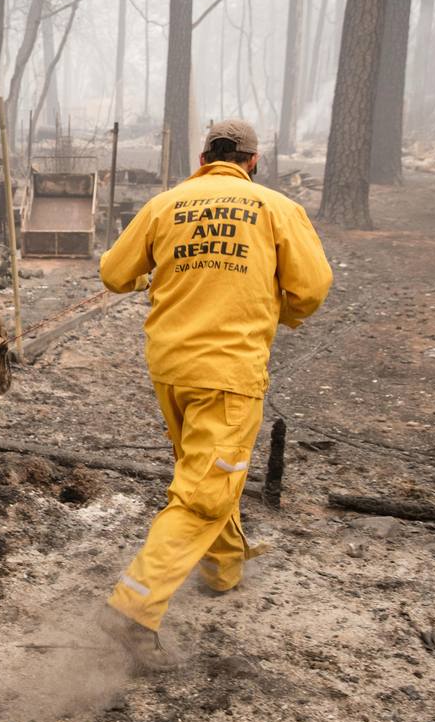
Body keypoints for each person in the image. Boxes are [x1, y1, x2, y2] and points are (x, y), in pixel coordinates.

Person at [95, 119, 333, 672]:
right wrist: (281, 311)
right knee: (206, 489)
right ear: (253, 162)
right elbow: (312, 287)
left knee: (204, 470)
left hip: (171, 367)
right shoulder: (275, 208)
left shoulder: (165, 205)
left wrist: (153, 276)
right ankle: (133, 609)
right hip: (228, 372)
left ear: (203, 159)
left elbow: (114, 273)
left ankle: (222, 569)